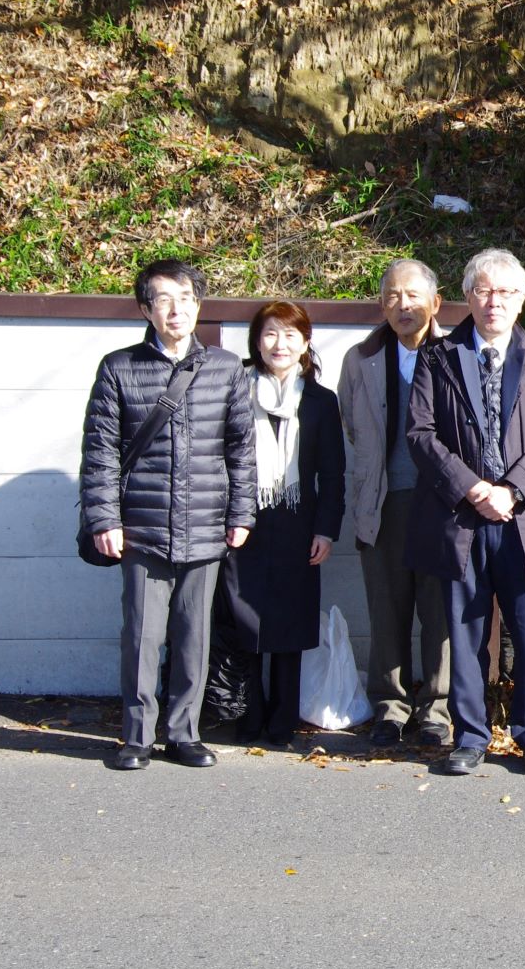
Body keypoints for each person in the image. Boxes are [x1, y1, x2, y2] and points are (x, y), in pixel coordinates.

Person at [405, 249, 525, 776]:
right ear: (467, 297)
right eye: (484, 291)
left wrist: (510, 490)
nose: (494, 302)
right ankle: (471, 735)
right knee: (466, 633)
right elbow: (420, 434)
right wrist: (472, 488)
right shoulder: (437, 357)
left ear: (522, 300)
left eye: (506, 292)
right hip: (461, 517)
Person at [79, 259, 256, 771]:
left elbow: (241, 450)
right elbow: (100, 452)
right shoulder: (119, 367)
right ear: (145, 309)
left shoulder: (225, 368)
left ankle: (183, 733)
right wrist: (104, 519)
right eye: (163, 298)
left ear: (199, 304)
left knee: (193, 635)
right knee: (141, 635)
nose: (175, 308)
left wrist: (241, 513)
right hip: (141, 527)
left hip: (205, 525)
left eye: (185, 296)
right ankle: (136, 736)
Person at [217, 301, 345, 748]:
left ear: (306, 342)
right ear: (256, 341)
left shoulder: (320, 401)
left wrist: (327, 529)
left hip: (298, 524)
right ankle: (247, 716)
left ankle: (282, 721)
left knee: (289, 627)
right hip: (244, 523)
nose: (280, 344)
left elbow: (332, 474)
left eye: (291, 335)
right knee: (246, 621)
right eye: (271, 334)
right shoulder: (235, 392)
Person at [338, 259, 454, 748]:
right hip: (382, 503)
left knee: (440, 612)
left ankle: (439, 708)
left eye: (412, 296)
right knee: (387, 612)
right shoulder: (360, 359)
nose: (402, 306)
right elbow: (350, 422)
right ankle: (389, 706)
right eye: (391, 296)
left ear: (435, 302)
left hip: (442, 505)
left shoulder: (456, 354)